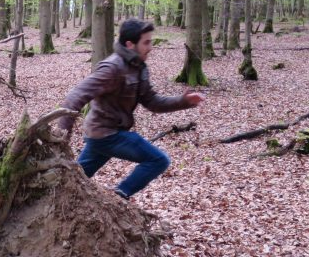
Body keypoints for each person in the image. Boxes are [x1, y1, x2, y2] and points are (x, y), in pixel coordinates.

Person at [58, 18, 205, 200]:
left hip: (102, 137)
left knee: (74, 178)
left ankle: (54, 197)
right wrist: (61, 138)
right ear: (130, 44)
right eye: (146, 42)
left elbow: (152, 102)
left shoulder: (138, 67)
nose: (150, 47)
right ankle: (119, 198)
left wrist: (183, 101)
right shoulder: (112, 67)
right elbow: (74, 98)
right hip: (107, 135)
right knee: (158, 160)